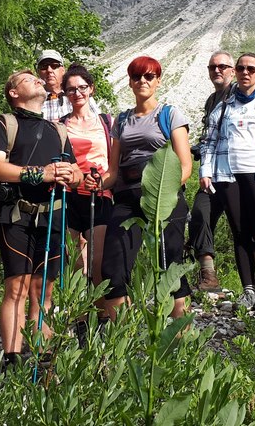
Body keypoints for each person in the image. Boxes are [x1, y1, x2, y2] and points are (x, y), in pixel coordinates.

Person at [0, 70, 80, 370]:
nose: (38, 80)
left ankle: (43, 358)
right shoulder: (4, 124)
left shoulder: (60, 131)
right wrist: (43, 173)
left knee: (44, 289)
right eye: (28, 79)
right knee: (17, 287)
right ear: (13, 92)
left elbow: (75, 173)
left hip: (52, 215)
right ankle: (12, 358)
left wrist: (72, 175)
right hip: (16, 213)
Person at [100, 56, 192, 319]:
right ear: (129, 81)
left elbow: (185, 166)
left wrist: (165, 192)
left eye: (149, 76)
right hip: (127, 197)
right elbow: (113, 170)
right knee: (113, 265)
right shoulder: (122, 120)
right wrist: (94, 182)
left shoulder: (169, 114)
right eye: (137, 76)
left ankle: (179, 340)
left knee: (170, 265)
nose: (142, 81)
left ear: (158, 81)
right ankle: (122, 339)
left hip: (164, 197)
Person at [199, 53, 255, 308]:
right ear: (236, 72)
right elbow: (209, 141)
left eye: (251, 68)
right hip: (228, 175)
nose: (245, 72)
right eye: (240, 68)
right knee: (240, 232)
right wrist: (205, 171)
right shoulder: (224, 106)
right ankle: (248, 290)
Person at [59, 65, 113, 284]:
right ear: (65, 94)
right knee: (73, 262)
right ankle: (79, 315)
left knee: (98, 261)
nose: (77, 93)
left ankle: (100, 313)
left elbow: (115, 159)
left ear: (91, 88)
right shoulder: (60, 125)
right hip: (69, 194)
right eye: (71, 89)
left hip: (100, 193)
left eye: (82, 87)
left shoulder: (107, 122)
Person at [188, 51, 236, 292]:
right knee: (199, 213)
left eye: (223, 66)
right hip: (212, 173)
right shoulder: (211, 100)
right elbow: (210, 136)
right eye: (212, 67)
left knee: (245, 226)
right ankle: (209, 274)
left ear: (232, 70)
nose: (217, 70)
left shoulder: (241, 95)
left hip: (238, 174)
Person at [38, 50, 100, 122]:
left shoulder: (81, 95)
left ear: (63, 70)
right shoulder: (35, 100)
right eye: (44, 67)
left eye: (54, 66)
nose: (49, 70)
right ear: (38, 72)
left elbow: (99, 122)